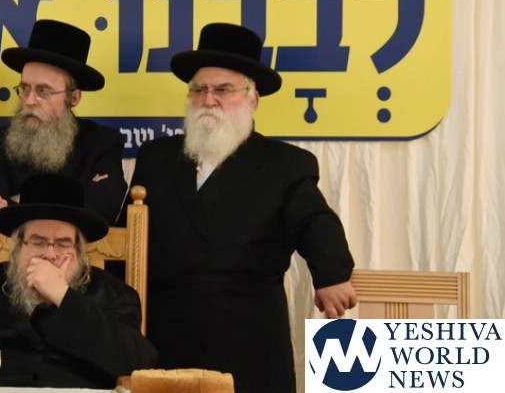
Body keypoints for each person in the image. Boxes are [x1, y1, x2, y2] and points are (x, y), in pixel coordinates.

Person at [128, 23, 357, 393]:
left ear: (253, 99)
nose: (209, 100)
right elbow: (128, 236)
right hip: (165, 335)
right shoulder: (156, 158)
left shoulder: (285, 164)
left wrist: (331, 273)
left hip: (250, 337)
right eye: (199, 90)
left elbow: (314, 220)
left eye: (223, 90)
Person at [0, 173, 157, 388]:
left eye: (63, 243)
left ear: (79, 249)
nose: (50, 254)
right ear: (17, 246)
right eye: (38, 242)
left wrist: (63, 296)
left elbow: (139, 364)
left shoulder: (114, 293)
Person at [0, 19, 126, 225]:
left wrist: (18, 200)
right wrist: (77, 193)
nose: (30, 100)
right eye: (25, 88)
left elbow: (104, 208)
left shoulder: (103, 143)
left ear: (74, 98)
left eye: (43, 91)